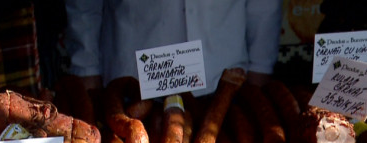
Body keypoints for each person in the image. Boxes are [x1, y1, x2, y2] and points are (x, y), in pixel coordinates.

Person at [63, 1, 283, 95]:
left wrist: (260, 70)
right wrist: (86, 70)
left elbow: (263, 5)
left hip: (225, 86)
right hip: (132, 88)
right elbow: (84, 5)